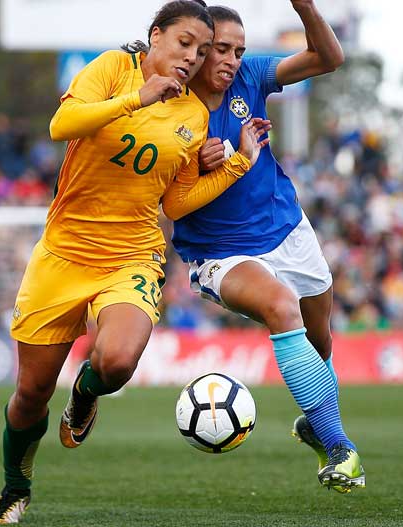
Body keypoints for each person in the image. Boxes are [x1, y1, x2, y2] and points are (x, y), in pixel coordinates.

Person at [0, 2, 271, 523]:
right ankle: (14, 488)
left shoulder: (193, 114)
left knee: (114, 362)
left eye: (202, 51)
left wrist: (237, 163)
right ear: (155, 36)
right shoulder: (113, 68)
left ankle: (87, 392)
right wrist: (138, 98)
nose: (193, 57)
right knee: (29, 395)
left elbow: (176, 202)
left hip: (132, 254)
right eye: (184, 43)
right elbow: (62, 124)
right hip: (63, 254)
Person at [164, 1, 365, 492]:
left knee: (321, 346)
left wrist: (305, 8)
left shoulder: (251, 77)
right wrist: (194, 164)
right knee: (281, 306)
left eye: (239, 50)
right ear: (198, 50)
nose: (231, 60)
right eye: (220, 50)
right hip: (220, 254)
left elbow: (328, 58)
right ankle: (342, 449)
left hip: (288, 230)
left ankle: (315, 425)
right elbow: (168, 199)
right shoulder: (168, 106)